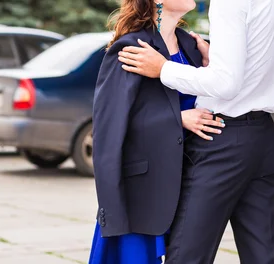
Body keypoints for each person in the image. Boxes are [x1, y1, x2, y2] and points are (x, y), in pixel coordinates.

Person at [118, 0, 274, 263]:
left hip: (221, 139)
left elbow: (226, 84)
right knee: (262, 253)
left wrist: (163, 68)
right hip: (263, 135)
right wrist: (218, 64)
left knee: (188, 255)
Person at [89, 0, 224, 263]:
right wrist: (178, 119)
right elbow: (110, 126)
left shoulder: (192, 47)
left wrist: (211, 68)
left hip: (186, 184)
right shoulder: (132, 47)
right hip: (141, 192)